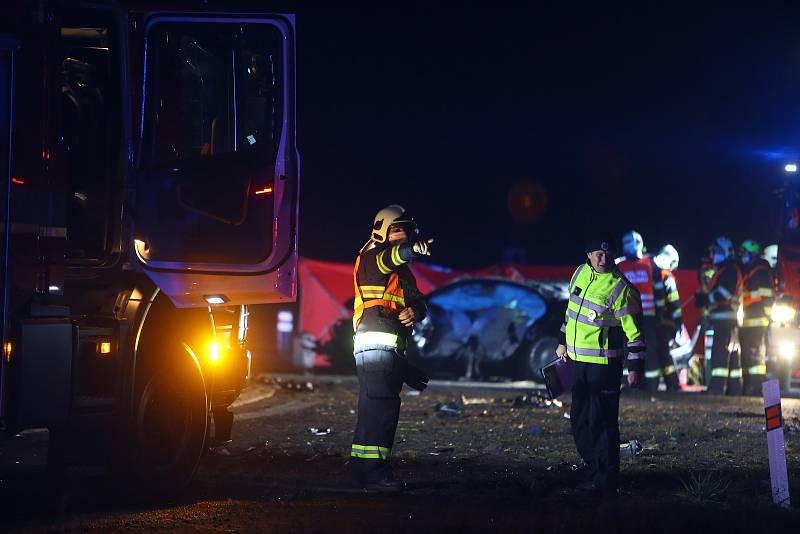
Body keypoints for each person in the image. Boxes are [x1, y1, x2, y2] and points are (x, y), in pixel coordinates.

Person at [350, 205, 432, 492]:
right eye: (398, 228)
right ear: (382, 230)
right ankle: (375, 474)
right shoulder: (374, 257)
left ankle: (361, 467)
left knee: (372, 407)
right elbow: (393, 256)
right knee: (382, 408)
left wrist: (415, 311)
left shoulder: (402, 273)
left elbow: (419, 300)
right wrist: (412, 249)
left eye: (407, 229)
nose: (404, 234)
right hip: (376, 345)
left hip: (386, 349)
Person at [556, 235, 645, 497]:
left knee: (602, 422)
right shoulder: (580, 273)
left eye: (607, 254)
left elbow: (636, 335)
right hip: (578, 362)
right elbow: (570, 312)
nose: (602, 258)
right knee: (579, 420)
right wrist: (562, 342)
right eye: (597, 253)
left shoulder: (622, 289)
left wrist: (635, 368)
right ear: (588, 255)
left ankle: (605, 480)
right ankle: (594, 469)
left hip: (605, 366)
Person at [616, 231, 678, 390]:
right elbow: (658, 292)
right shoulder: (651, 264)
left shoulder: (619, 266)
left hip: (628, 317)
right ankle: (651, 385)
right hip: (647, 317)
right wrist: (659, 315)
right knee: (648, 351)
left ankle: (630, 386)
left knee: (628, 350)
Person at [695, 237, 742, 395]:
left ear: (726, 252)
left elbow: (723, 293)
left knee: (719, 354)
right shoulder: (722, 270)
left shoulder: (729, 270)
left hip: (726, 321)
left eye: (717, 252)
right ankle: (733, 390)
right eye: (713, 252)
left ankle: (716, 389)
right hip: (725, 321)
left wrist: (705, 299)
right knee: (731, 357)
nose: (713, 255)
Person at [739, 240, 774, 395]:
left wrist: (767, 316)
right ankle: (749, 387)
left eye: (746, 254)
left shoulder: (760, 272)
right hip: (748, 322)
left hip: (758, 322)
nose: (743, 257)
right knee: (748, 356)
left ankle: (756, 388)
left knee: (755, 357)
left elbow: (767, 297)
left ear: (753, 255)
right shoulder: (751, 271)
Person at [653, 244, 684, 385]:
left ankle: (669, 383)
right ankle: (672, 384)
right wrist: (678, 322)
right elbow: (674, 302)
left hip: (649, 320)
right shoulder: (667, 276)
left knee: (658, 351)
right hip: (665, 321)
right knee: (664, 352)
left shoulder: (650, 272)